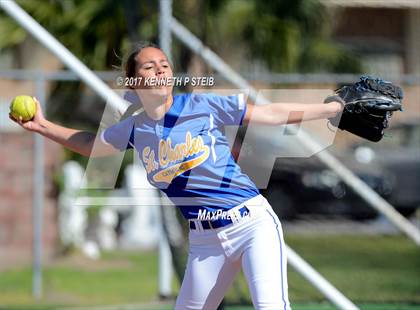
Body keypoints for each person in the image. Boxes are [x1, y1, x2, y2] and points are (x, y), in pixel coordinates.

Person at [11, 42, 343, 310]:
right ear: (134, 82)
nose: (159, 69)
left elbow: (268, 113)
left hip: (251, 225)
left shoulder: (201, 105)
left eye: (164, 64)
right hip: (204, 241)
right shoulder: (136, 127)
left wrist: (331, 110)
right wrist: (42, 126)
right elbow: (92, 145)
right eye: (148, 66)